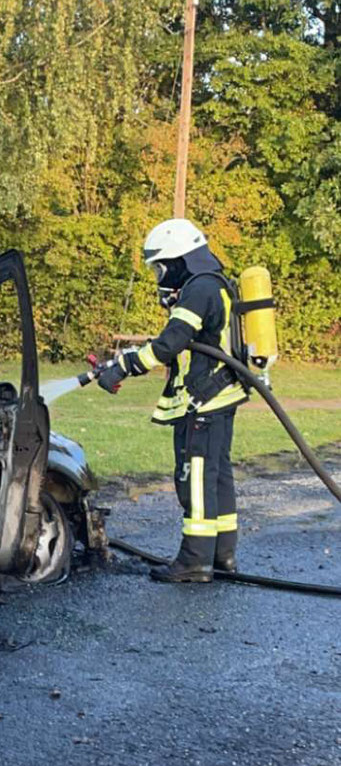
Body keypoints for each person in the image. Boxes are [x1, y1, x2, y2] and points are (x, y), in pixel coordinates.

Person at [93, 218, 247, 584]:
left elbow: (170, 343)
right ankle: (221, 555)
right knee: (217, 476)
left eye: (161, 267)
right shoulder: (214, 285)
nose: (160, 276)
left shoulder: (199, 289)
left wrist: (123, 369)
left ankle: (195, 561)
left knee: (195, 480)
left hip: (204, 400)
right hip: (221, 395)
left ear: (179, 260)